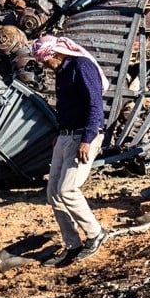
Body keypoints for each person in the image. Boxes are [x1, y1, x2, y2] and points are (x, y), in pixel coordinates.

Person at [31, 34, 110, 266]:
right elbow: (67, 106)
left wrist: (87, 138)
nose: (46, 65)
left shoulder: (81, 66)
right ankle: (72, 245)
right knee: (53, 192)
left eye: (46, 61)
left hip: (82, 137)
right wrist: (59, 133)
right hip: (66, 136)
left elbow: (95, 104)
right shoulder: (63, 71)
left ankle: (95, 234)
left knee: (68, 189)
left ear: (55, 53)